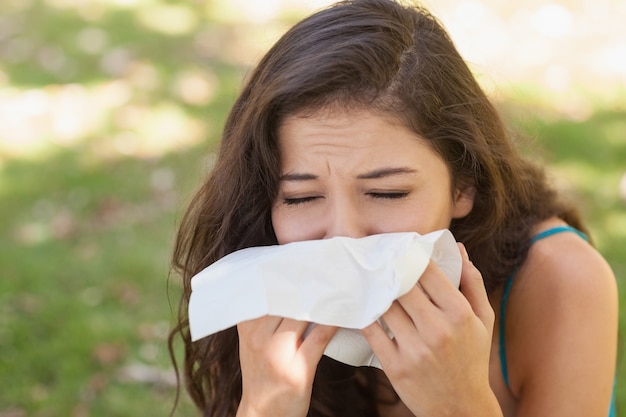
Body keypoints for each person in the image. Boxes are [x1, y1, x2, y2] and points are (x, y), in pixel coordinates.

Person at [168, 0, 618, 416]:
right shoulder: (265, 300)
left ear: (464, 186)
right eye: (302, 198)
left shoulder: (561, 282)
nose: (344, 235)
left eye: (388, 193)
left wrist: (462, 405)